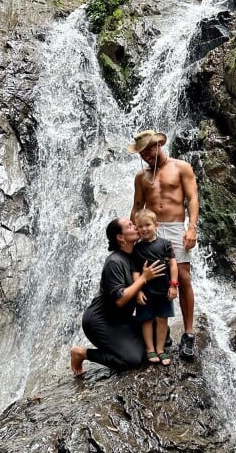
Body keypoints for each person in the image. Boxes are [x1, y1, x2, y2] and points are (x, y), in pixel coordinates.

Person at [128, 129, 198, 359]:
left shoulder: (181, 167)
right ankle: (162, 331)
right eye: (142, 152)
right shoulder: (141, 177)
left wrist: (191, 228)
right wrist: (131, 233)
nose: (146, 155)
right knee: (153, 278)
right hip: (150, 229)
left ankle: (188, 334)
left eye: (149, 149)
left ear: (158, 145)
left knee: (183, 278)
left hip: (176, 227)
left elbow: (192, 198)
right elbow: (138, 205)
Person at [70, 217, 165, 376]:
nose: (135, 227)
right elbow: (120, 300)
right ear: (120, 237)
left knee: (162, 332)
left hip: (122, 320)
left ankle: (124, 346)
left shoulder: (136, 255)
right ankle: (81, 353)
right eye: (130, 226)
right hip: (100, 321)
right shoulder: (114, 262)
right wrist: (143, 278)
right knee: (132, 360)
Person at [132, 208, 179, 366]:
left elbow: (173, 265)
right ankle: (149, 349)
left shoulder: (165, 244)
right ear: (136, 228)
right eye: (140, 226)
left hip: (164, 289)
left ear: (156, 225)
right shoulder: (137, 248)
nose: (144, 229)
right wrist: (137, 290)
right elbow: (136, 271)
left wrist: (173, 285)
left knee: (162, 319)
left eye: (147, 225)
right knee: (146, 320)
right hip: (146, 291)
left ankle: (160, 349)